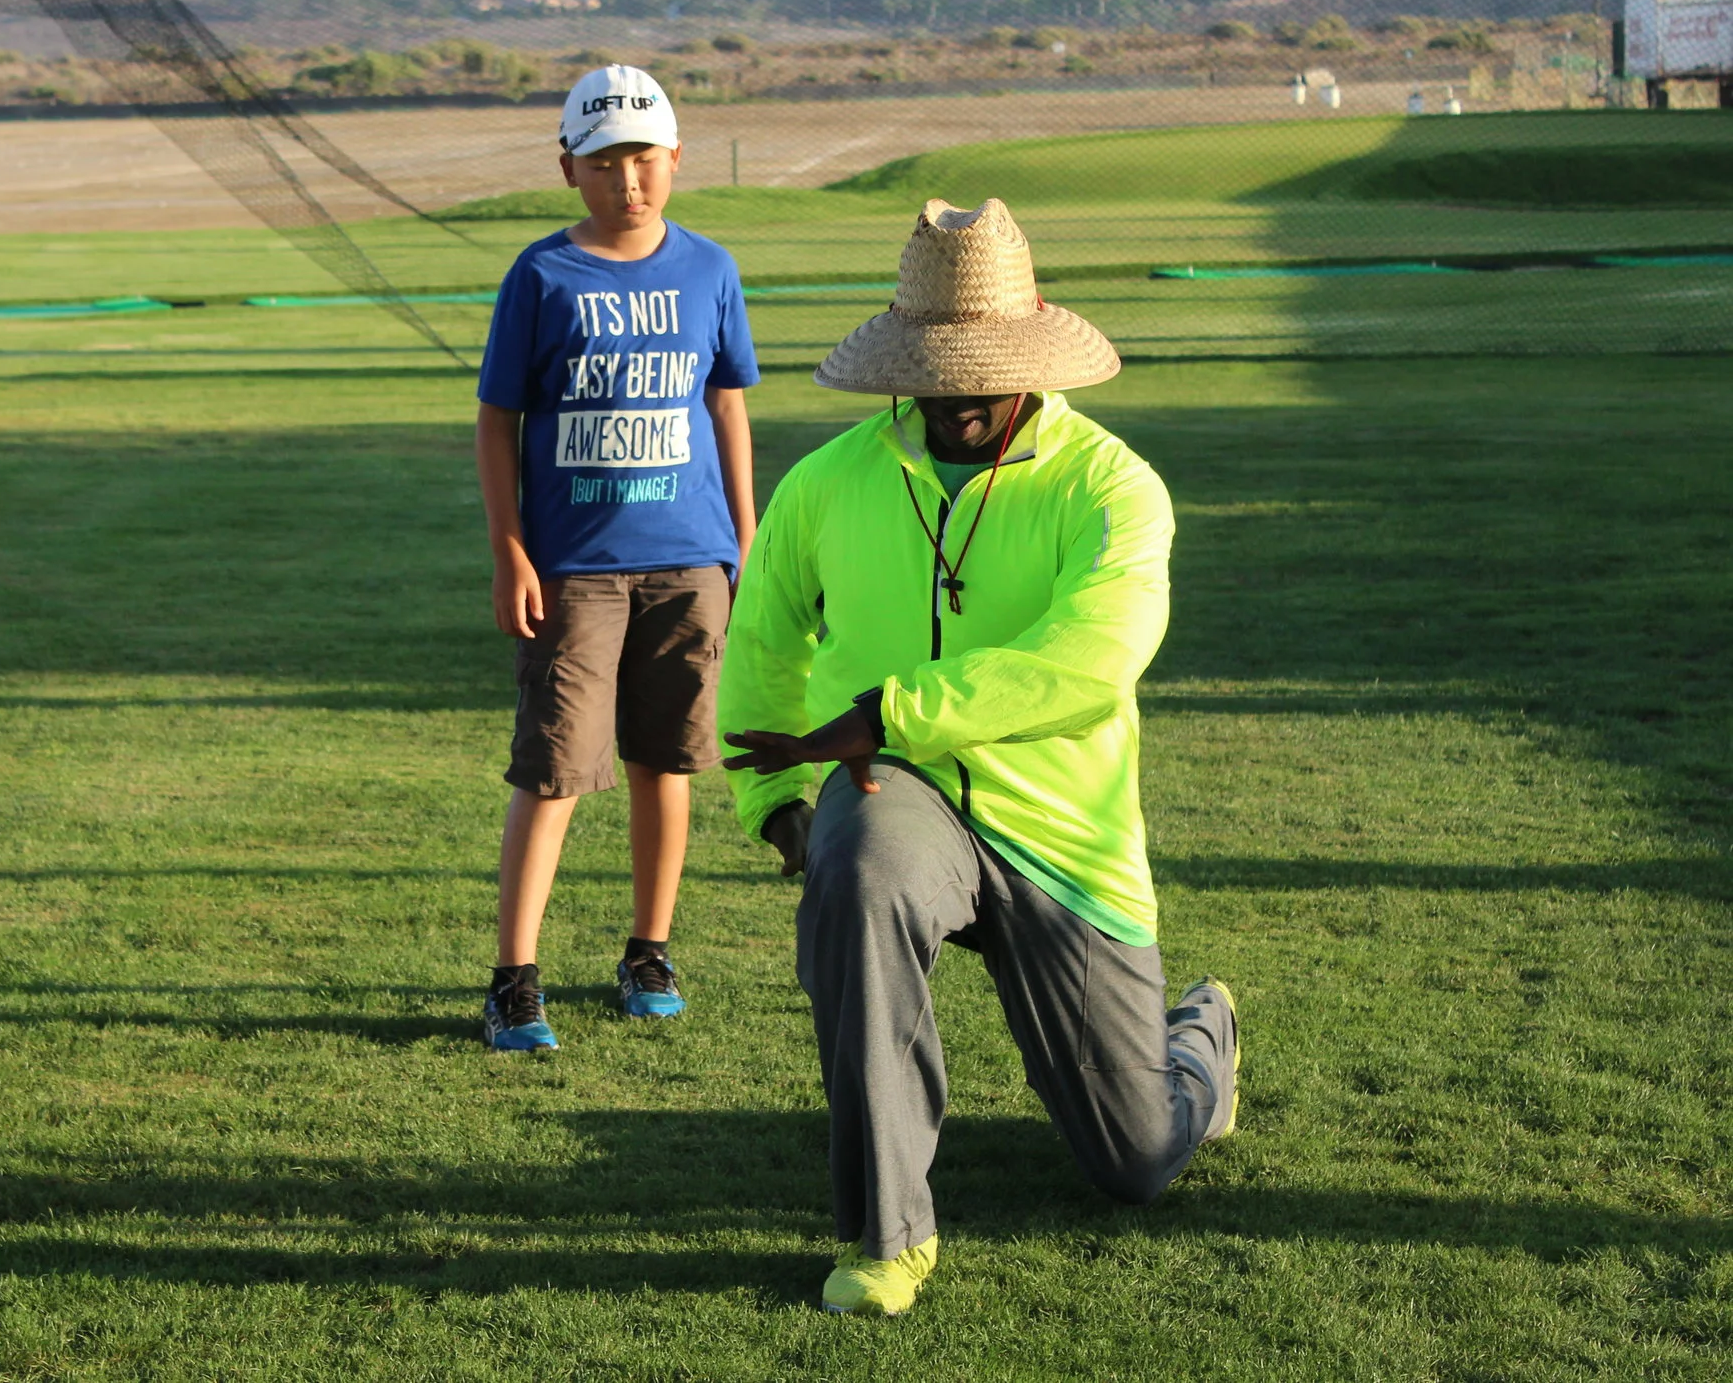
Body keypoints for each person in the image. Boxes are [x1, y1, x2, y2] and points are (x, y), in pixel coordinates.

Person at [718, 198, 1239, 1314]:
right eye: (935, 374)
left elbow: (1092, 659)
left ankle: (1204, 1033)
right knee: (858, 876)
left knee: (1136, 1159)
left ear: (1031, 362)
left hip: (1063, 833)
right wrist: (772, 796)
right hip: (890, 790)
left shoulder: (1112, 486)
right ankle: (884, 1236)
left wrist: (889, 707)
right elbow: (760, 641)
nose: (958, 400)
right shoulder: (824, 484)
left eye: (982, 373)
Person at [472, 65, 761, 1051]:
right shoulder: (543, 276)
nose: (626, 180)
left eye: (643, 158)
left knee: (666, 760)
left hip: (688, 558)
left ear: (673, 159)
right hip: (576, 566)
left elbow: (726, 404)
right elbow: (496, 421)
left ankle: (649, 947)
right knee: (553, 769)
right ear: (568, 168)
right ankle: (514, 977)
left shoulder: (709, 270)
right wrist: (511, 549)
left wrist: (743, 534)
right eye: (603, 162)